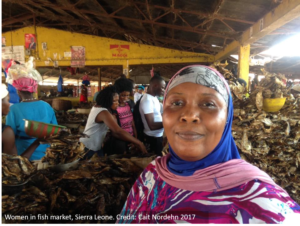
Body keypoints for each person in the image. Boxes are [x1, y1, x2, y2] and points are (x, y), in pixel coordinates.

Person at [117, 65, 300, 225]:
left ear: (227, 118)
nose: (189, 115)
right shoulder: (152, 175)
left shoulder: (266, 205)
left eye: (208, 104)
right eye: (177, 102)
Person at [80, 86, 147, 158]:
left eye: (118, 101)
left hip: (92, 146)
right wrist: (139, 143)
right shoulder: (103, 112)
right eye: (115, 101)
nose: (117, 103)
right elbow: (118, 131)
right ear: (107, 100)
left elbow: (115, 132)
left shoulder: (99, 108)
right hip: (89, 148)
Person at [6, 78, 58, 161]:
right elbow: (55, 130)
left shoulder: (13, 109)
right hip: (46, 153)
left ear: (18, 91)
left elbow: (9, 136)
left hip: (24, 154)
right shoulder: (46, 106)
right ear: (34, 90)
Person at [139, 75, 166, 156]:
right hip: (153, 138)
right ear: (155, 86)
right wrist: (169, 123)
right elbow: (152, 126)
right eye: (162, 87)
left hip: (158, 136)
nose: (163, 90)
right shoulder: (147, 100)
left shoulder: (153, 98)